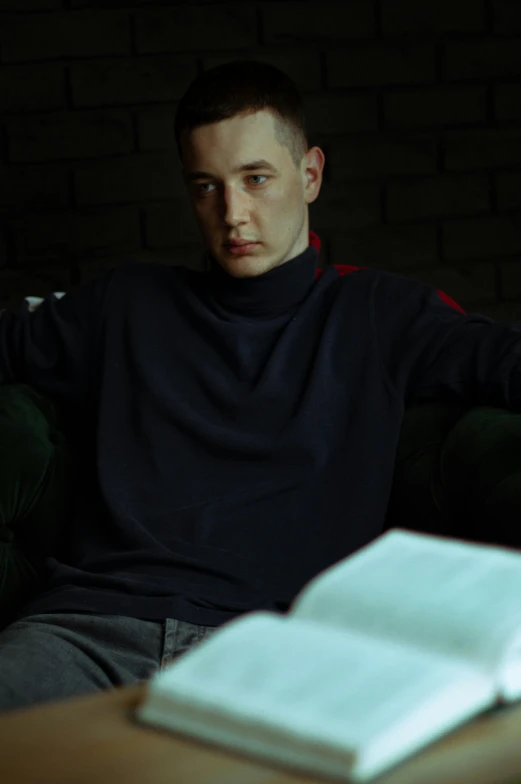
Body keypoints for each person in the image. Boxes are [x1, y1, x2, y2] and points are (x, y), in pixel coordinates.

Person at [0, 58, 521, 714]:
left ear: (309, 176)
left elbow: (504, 360)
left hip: (274, 653)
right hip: (89, 630)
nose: (233, 214)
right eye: (206, 187)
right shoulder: (127, 303)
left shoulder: (375, 313)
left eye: (255, 179)